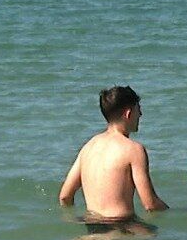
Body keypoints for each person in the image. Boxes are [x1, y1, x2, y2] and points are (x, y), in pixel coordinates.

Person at [60, 86, 168, 231]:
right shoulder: (133, 150)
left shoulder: (88, 147)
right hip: (121, 227)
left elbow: (65, 197)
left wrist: (78, 220)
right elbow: (150, 204)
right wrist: (179, 213)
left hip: (92, 227)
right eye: (139, 109)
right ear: (128, 113)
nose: (141, 114)